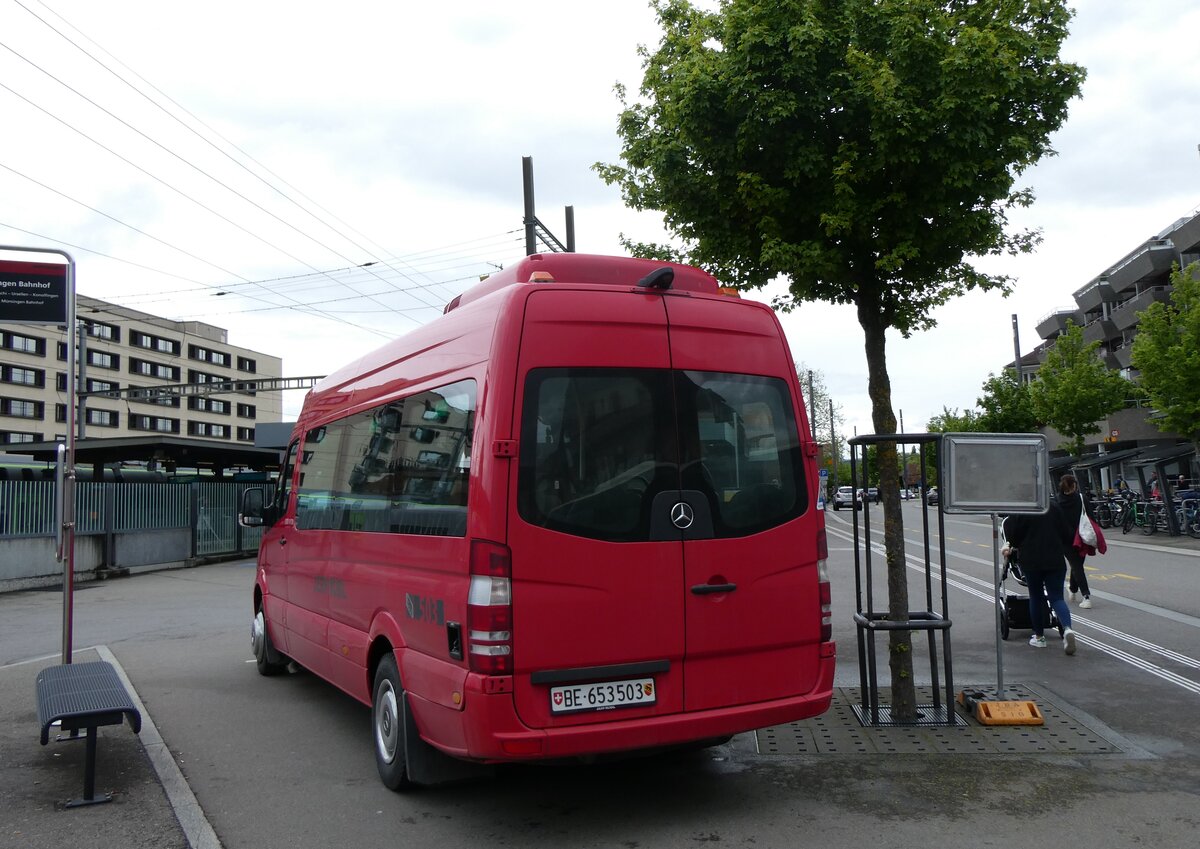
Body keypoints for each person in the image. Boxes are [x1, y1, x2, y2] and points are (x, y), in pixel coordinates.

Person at [1002, 499, 1078, 655]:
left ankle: (1039, 637)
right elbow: (1067, 533)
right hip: (1055, 559)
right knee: (1057, 597)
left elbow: (1013, 536)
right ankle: (1068, 629)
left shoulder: (1023, 508)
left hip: (1031, 560)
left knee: (1036, 597)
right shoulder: (1054, 506)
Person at [1057, 474, 1095, 609]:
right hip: (1082, 537)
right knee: (1078, 565)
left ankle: (1073, 588)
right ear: (1074, 485)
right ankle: (1086, 596)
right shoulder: (1081, 498)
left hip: (1065, 539)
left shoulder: (1056, 501)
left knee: (1076, 565)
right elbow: (1091, 517)